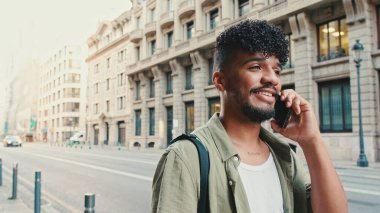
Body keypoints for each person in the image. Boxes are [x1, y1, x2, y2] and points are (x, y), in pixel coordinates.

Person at [151, 20, 347, 213]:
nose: (273, 79)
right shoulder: (185, 157)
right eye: (255, 67)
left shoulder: (284, 156)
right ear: (221, 81)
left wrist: (311, 141)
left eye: (277, 70)